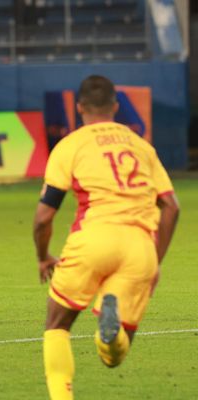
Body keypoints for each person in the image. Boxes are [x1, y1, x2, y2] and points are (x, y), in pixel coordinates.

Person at [33, 75, 179, 399]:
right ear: (115, 106)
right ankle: (107, 340)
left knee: (57, 324)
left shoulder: (70, 145)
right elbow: (171, 206)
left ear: (79, 107)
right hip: (139, 248)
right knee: (113, 358)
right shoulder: (141, 146)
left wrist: (43, 255)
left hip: (93, 240)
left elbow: (44, 217)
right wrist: (155, 259)